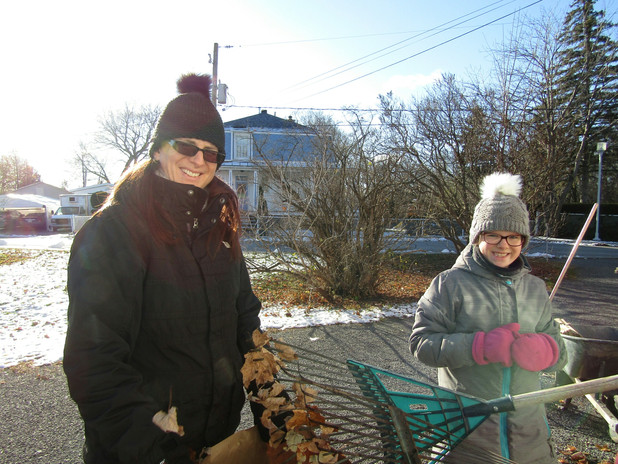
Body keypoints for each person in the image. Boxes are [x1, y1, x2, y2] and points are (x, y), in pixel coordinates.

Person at [63, 73, 263, 464]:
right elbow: (95, 361)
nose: (199, 160)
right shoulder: (113, 233)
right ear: (158, 149)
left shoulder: (219, 231)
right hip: (142, 451)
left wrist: (270, 401)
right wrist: (158, 449)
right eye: (187, 146)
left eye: (211, 153)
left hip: (214, 441)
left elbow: (246, 324)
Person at [409, 172, 567, 464]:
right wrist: (478, 347)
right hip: (468, 433)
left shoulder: (535, 288)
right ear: (477, 237)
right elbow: (421, 344)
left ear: (523, 240)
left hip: (528, 436)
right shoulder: (449, 284)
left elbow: (560, 353)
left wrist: (548, 351)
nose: (503, 244)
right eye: (493, 234)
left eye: (513, 236)